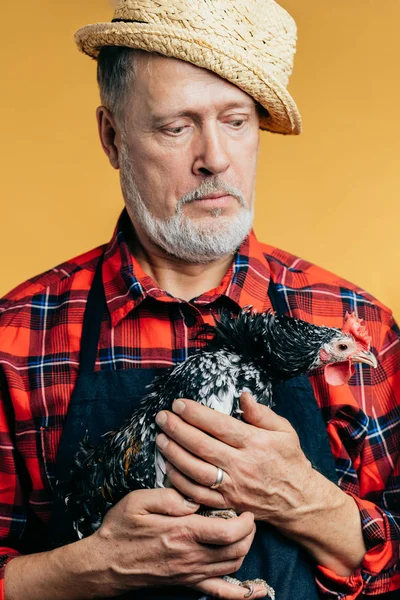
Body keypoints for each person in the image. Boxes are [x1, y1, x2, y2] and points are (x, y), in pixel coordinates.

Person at [1, 1, 399, 599]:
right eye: (177, 126)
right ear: (112, 137)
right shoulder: (20, 337)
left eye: (235, 121)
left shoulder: (353, 320)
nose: (214, 158)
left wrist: (310, 506)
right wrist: (92, 568)